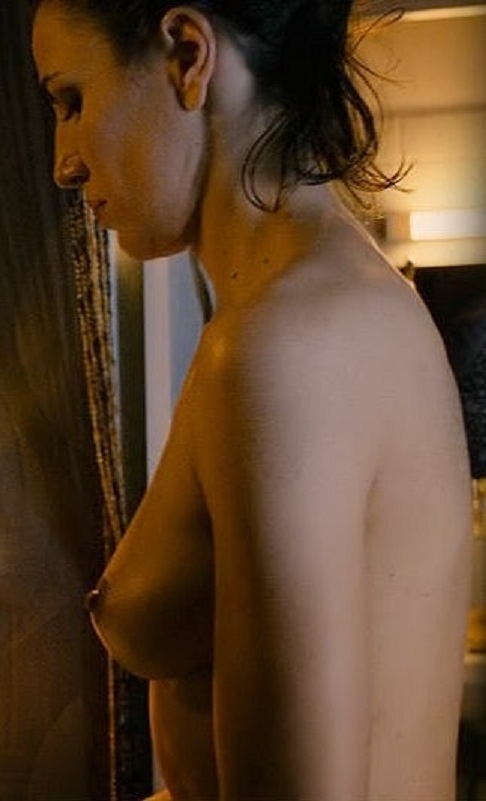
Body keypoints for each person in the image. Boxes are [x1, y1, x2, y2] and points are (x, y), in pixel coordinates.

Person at [31, 1, 472, 799]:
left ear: (187, 55)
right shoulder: (344, 303)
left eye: (72, 100)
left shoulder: (281, 349)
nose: (65, 163)